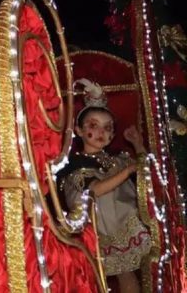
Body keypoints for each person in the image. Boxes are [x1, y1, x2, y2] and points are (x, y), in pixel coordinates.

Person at [58, 79, 151, 293]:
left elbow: (145, 173)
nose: (101, 132)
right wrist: (127, 172)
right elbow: (94, 190)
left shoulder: (117, 159)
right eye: (93, 126)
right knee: (99, 277)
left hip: (127, 220)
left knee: (127, 273)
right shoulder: (76, 166)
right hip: (100, 229)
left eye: (107, 128)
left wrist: (137, 144)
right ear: (80, 131)